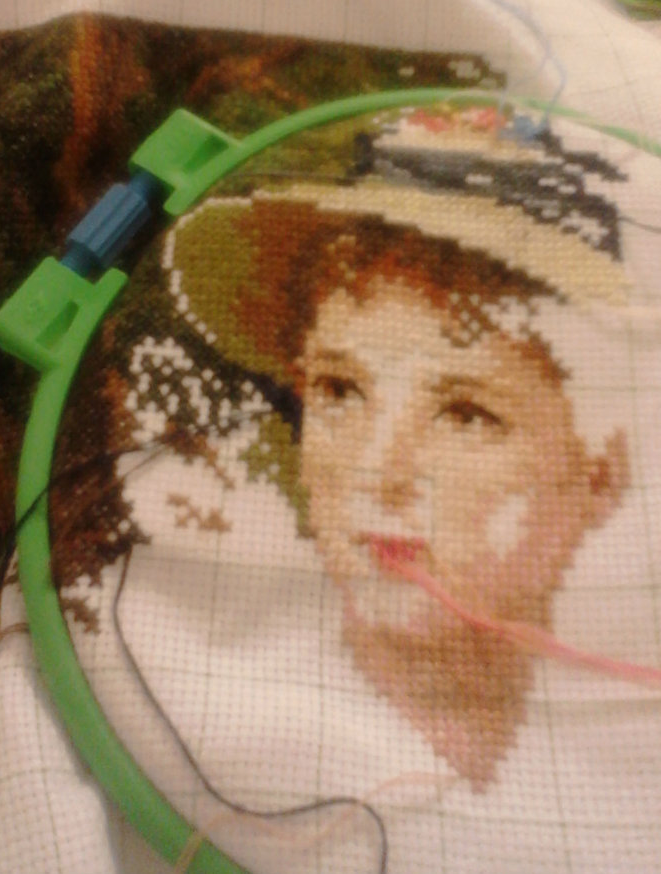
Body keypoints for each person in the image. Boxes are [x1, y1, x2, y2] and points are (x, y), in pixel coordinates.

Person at [158, 106, 633, 790]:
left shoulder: (639, 761)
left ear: (601, 475)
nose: (379, 471)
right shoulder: (210, 723)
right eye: (340, 389)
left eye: (466, 414)